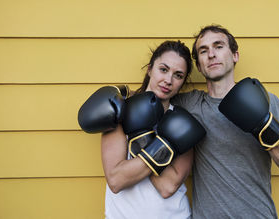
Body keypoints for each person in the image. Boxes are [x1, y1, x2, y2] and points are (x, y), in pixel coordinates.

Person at [171, 25, 279, 218]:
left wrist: (262, 124)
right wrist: (120, 96)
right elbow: (154, 97)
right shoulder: (190, 104)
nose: (211, 54)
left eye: (218, 46)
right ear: (199, 66)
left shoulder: (265, 100)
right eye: (203, 50)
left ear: (235, 56)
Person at [78, 40, 205, 219]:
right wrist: (161, 145)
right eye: (163, 69)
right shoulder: (121, 112)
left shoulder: (182, 122)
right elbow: (116, 180)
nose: (168, 80)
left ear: (182, 82)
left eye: (178, 75)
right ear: (150, 69)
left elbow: (167, 186)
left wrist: (141, 136)